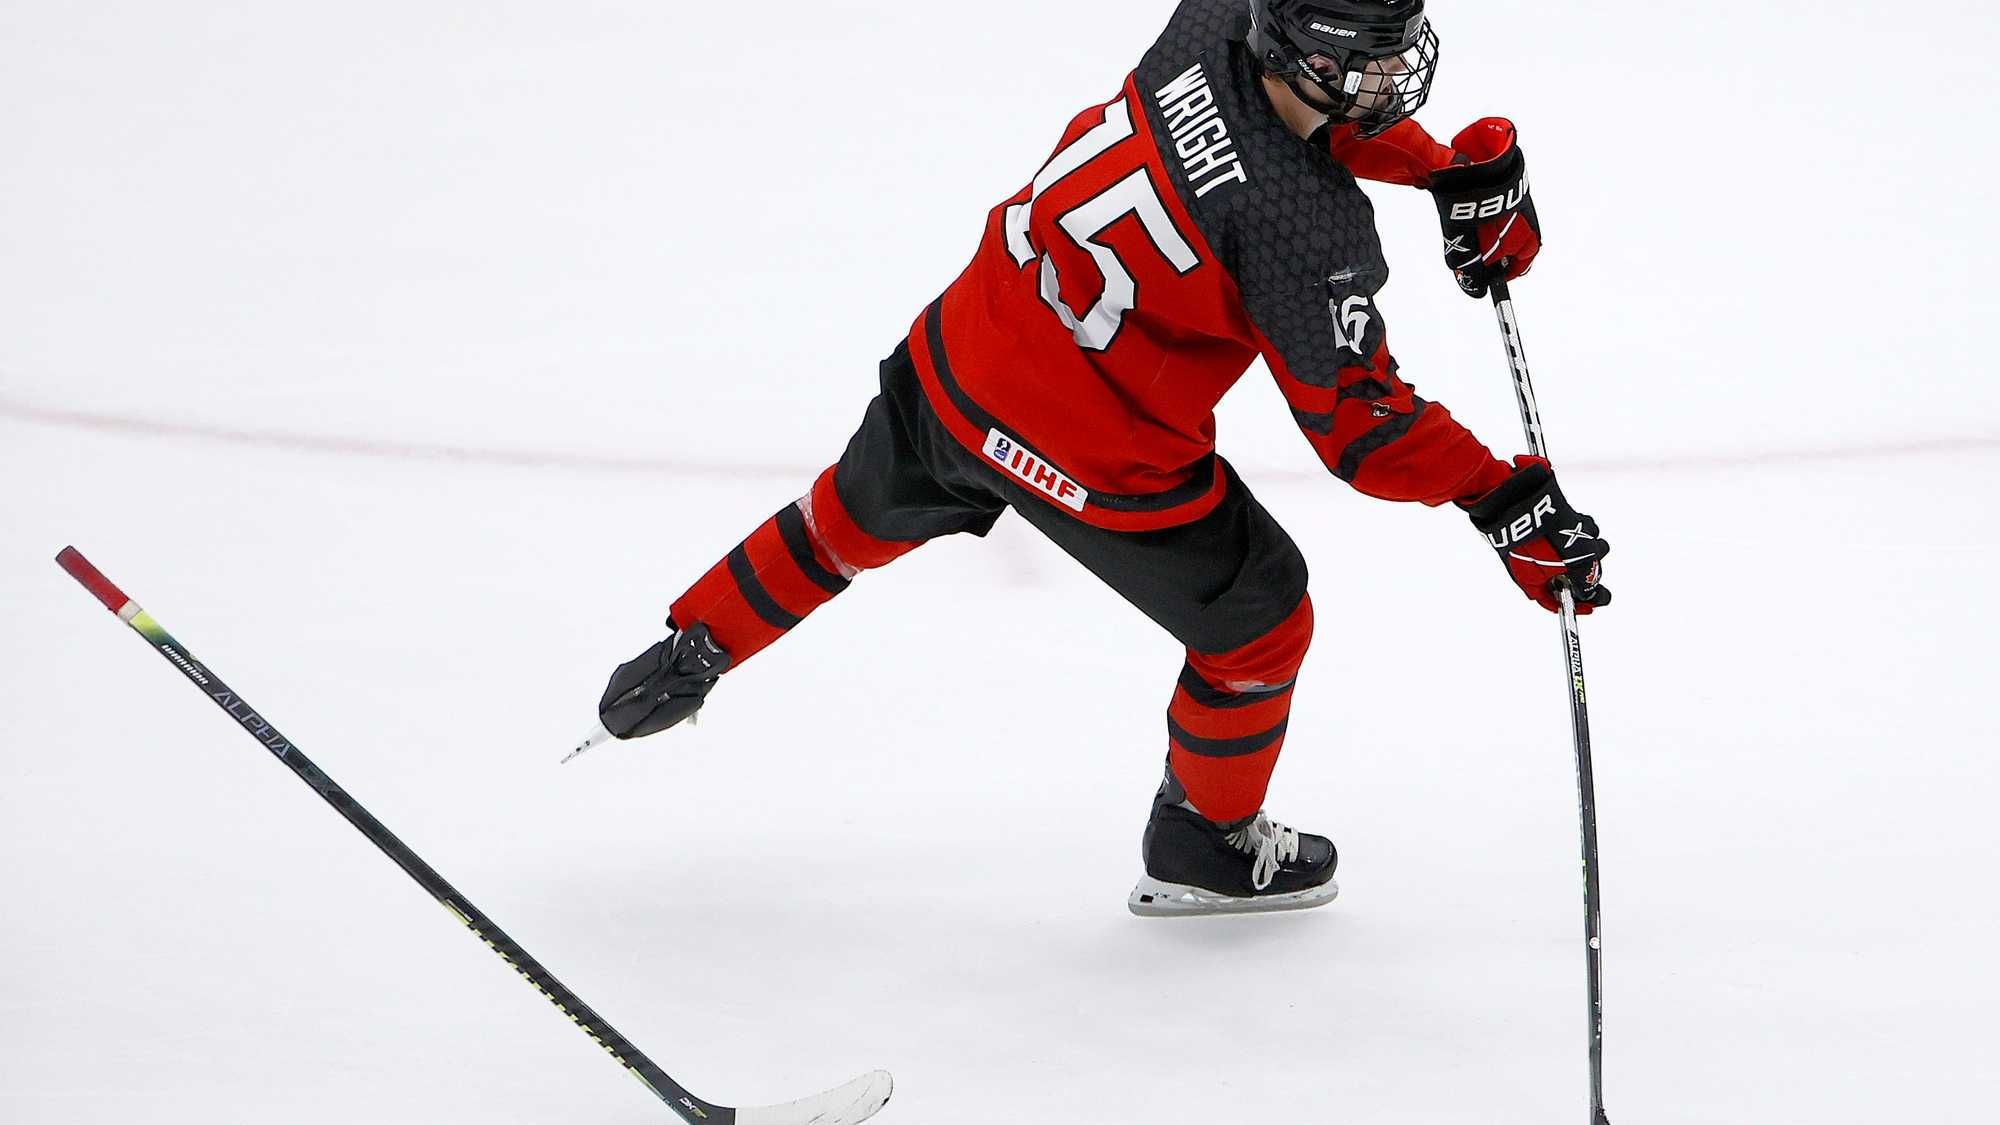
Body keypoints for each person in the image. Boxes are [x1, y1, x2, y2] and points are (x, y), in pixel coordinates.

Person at [591, 0, 1611, 918]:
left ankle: (692, 646)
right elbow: (1361, 428)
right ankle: (1203, 840)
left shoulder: (1212, 18)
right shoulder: (1304, 232)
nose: (1397, 71)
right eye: (1376, 54)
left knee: (839, 526)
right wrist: (1499, 498)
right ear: (1313, 55)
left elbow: (1292, 131)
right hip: (1092, 451)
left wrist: (1438, 171)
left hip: (968, 353)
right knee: (1260, 619)